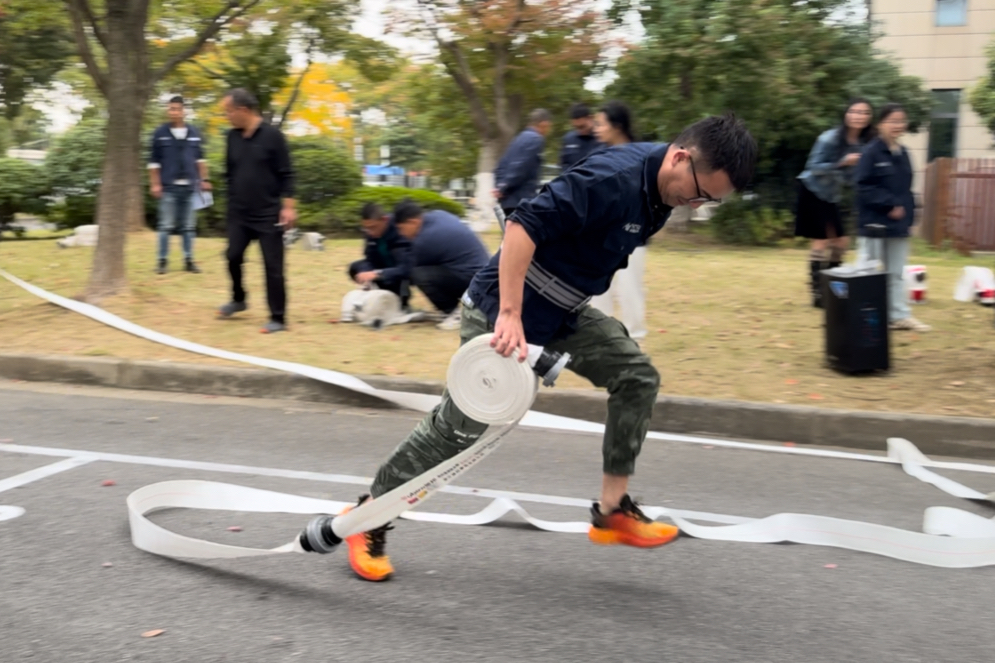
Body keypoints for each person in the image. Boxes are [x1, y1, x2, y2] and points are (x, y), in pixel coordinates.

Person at [332, 114, 758, 582]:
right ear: (680, 157)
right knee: (459, 428)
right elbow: (522, 228)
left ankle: (613, 511)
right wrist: (511, 315)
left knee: (636, 376)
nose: (696, 205)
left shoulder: (662, 191)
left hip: (561, 313)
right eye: (700, 194)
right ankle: (366, 520)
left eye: (709, 201)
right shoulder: (611, 178)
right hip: (501, 309)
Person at [217, 88, 296, 334]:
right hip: (239, 213)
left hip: (268, 213)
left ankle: (278, 318)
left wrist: (289, 207)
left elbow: (288, 174)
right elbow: (230, 173)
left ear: (244, 110)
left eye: (229, 112)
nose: (227, 116)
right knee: (232, 256)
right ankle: (239, 299)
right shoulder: (232, 137)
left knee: (273, 266)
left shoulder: (273, 136)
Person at [855, 103, 931, 333]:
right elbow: (862, 186)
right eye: (893, 121)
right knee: (867, 271)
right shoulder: (870, 152)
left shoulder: (904, 153)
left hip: (898, 225)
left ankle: (898, 316)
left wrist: (910, 216)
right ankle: (860, 315)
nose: (898, 125)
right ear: (881, 124)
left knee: (896, 273)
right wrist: (888, 204)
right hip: (874, 223)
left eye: (902, 121)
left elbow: (906, 189)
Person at [795, 99, 875, 307]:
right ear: (846, 115)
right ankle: (819, 294)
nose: (859, 116)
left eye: (864, 112)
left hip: (831, 195)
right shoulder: (829, 139)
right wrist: (843, 162)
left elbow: (851, 177)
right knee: (821, 241)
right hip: (813, 190)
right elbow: (813, 167)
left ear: (869, 118)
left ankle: (831, 289)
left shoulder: (861, 144)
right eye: (855, 111)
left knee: (841, 243)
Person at [589, 101, 647, 340]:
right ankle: (603, 336)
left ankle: (635, 336)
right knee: (598, 288)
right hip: (602, 234)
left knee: (629, 288)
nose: (596, 128)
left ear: (617, 126)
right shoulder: (600, 155)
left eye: (601, 123)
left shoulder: (642, 156)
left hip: (631, 234)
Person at [148, 95, 210, 275]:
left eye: (177, 109)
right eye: (171, 109)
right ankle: (162, 262)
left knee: (188, 227)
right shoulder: (160, 133)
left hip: (190, 187)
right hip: (168, 187)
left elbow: (200, 160)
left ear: (184, 111)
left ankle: (189, 260)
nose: (173, 112)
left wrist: (204, 180)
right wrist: (155, 184)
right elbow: (153, 163)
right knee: (165, 226)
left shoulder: (194, 133)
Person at [349, 202, 415, 311]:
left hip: (403, 269)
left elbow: (405, 268)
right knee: (356, 267)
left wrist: (377, 273)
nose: (370, 232)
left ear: (384, 220)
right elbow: (369, 259)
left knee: (405, 275)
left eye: (373, 227)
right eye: (366, 228)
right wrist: (365, 273)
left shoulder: (400, 229)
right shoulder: (370, 233)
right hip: (383, 266)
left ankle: (403, 300)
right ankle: (375, 295)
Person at [493, 109, 553, 219]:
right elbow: (521, 167)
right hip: (521, 200)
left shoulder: (519, 138)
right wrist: (504, 187)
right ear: (544, 124)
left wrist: (499, 187)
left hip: (508, 201)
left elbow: (501, 165)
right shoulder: (536, 139)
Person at [559, 103, 599, 172]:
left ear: (590, 118)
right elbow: (563, 165)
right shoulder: (569, 139)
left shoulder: (602, 139)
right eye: (576, 127)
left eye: (582, 127)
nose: (580, 131)